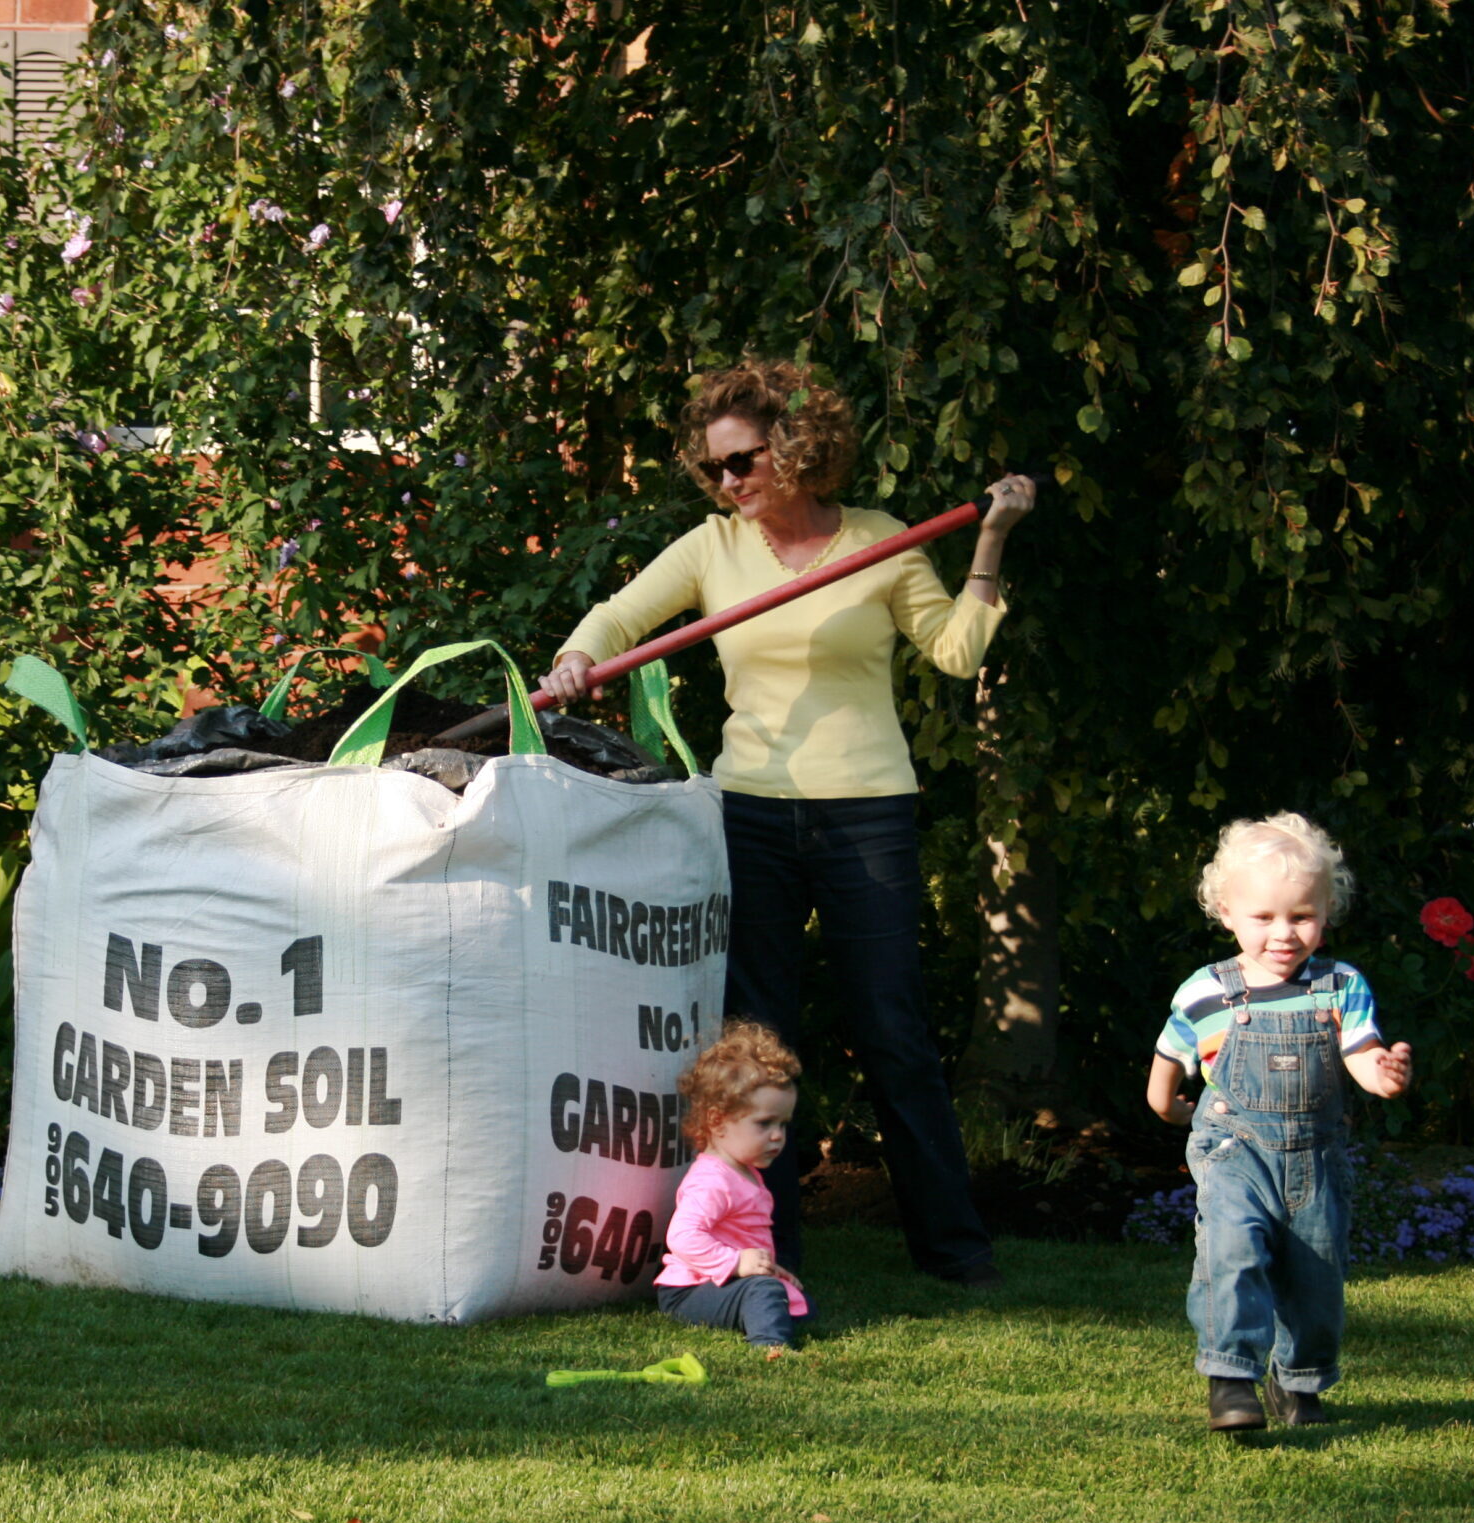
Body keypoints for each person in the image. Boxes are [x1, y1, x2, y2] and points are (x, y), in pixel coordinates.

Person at [542, 359, 1034, 1286]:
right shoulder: (712, 549)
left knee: (891, 1029)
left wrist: (992, 538)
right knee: (756, 1042)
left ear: (799, 449)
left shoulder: (884, 541)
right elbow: (615, 618)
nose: (730, 482)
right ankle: (765, 1255)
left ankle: (956, 1254)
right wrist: (577, 657)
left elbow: (957, 650)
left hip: (868, 818)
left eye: (745, 460)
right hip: (750, 818)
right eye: (716, 469)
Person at [1147, 813, 1414, 1431]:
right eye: (1264, 917)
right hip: (1234, 1150)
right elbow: (1169, 1059)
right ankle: (1232, 1379)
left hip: (1315, 1158)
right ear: (1226, 911)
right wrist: (1166, 1108)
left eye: (1302, 916)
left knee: (1315, 1275)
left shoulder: (1340, 986)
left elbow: (1362, 1058)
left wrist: (1386, 1075)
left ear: (1326, 911)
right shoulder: (1206, 992)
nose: (1284, 933)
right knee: (1231, 1251)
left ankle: (1300, 1385)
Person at [655, 1021, 810, 1359]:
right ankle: (770, 1345)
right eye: (764, 1123)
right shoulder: (713, 1180)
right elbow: (682, 1236)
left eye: (783, 1124)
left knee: (794, 1299)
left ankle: (767, 1307)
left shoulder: (746, 1171)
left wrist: (769, 1267)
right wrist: (736, 1262)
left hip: (722, 1281)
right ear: (717, 1121)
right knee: (765, 1294)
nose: (777, 1136)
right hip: (688, 1290)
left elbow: (746, 1238)